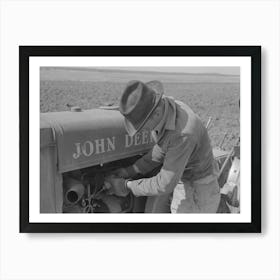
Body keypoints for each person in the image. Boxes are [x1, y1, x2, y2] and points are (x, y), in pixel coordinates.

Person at [104, 80, 221, 213]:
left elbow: (164, 183)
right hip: (182, 177)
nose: (142, 130)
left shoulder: (182, 133)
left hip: (199, 189)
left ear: (157, 113)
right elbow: (162, 148)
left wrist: (127, 186)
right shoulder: (167, 108)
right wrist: (130, 170)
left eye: (142, 126)